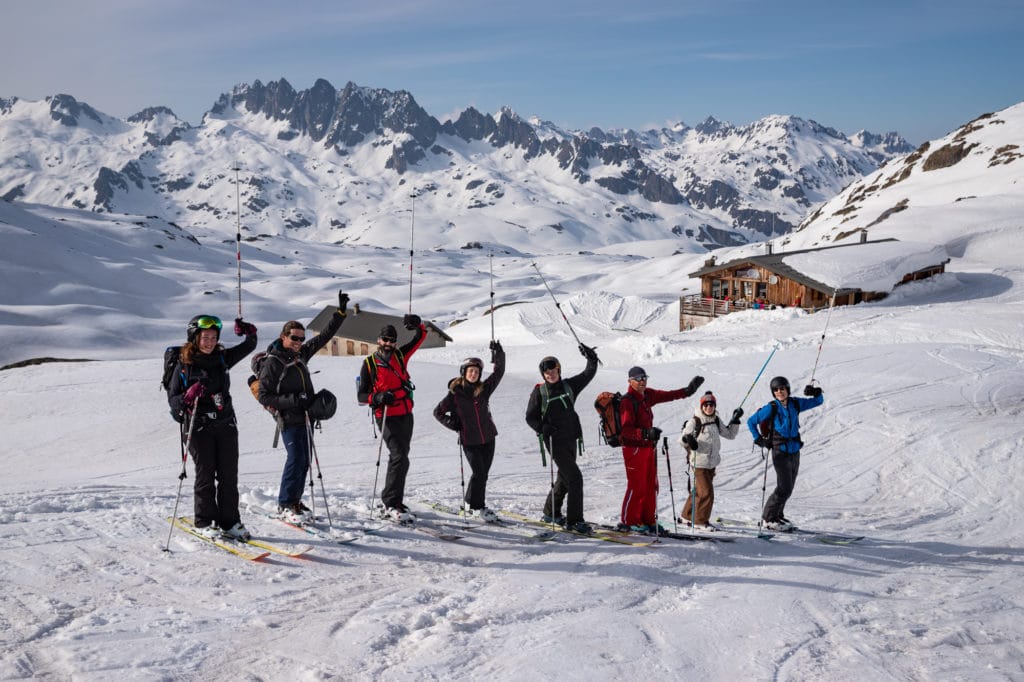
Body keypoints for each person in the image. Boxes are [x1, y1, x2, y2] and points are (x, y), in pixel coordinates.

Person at [258, 291, 349, 524]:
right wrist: (292, 400)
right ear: (283, 336)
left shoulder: (300, 355)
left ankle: (295, 501)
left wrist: (339, 314)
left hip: (306, 416)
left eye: (300, 338)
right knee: (296, 459)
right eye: (294, 338)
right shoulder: (273, 362)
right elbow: (264, 396)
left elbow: (323, 337)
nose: (299, 342)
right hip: (287, 417)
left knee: (304, 460)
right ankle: (285, 504)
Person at [167, 314, 258, 539]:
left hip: (225, 423)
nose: (209, 341)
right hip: (198, 426)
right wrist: (187, 396)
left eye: (213, 337)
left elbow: (249, 346)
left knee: (229, 475)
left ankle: (230, 522)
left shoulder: (222, 358)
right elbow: (173, 400)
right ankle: (204, 521)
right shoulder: (184, 364)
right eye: (205, 337)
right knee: (206, 474)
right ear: (194, 337)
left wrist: (249, 331)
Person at [357, 313, 428, 523]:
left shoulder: (400, 356)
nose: (389, 344)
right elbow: (362, 396)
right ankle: (390, 503)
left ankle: (395, 500)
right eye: (385, 340)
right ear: (379, 340)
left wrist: (418, 325)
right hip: (385, 415)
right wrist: (378, 396)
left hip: (405, 414)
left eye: (392, 340)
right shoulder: (369, 363)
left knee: (402, 457)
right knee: (398, 455)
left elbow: (420, 338)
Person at [617, 367, 704, 533]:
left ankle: (647, 520)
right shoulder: (627, 401)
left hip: (648, 448)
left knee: (651, 486)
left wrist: (687, 391)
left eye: (644, 378)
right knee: (637, 486)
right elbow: (625, 430)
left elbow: (668, 395)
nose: (642, 381)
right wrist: (645, 433)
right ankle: (628, 521)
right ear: (630, 381)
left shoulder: (646, 395)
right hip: (633, 449)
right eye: (638, 378)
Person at [524, 344, 599, 534]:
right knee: (575, 479)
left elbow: (588, 374)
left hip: (571, 438)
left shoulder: (569, 385)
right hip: (554, 442)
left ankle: (551, 512)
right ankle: (575, 521)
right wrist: (543, 428)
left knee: (565, 478)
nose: (550, 374)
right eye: (546, 372)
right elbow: (530, 417)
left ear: (558, 369)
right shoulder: (539, 392)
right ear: (543, 375)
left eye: (553, 369)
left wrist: (591, 358)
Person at [433, 340, 506, 522]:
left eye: (476, 371)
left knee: (482, 475)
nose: (473, 374)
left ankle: (470, 503)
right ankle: (477, 507)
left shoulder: (483, 390)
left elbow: (499, 373)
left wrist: (499, 355)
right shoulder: (455, 394)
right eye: (470, 371)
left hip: (488, 437)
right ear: (464, 373)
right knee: (479, 473)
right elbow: (438, 412)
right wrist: (454, 424)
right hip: (469, 440)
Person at [746, 376, 824, 530]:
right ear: (773, 393)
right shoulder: (772, 407)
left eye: (782, 388)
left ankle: (777, 516)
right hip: (779, 450)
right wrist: (759, 439)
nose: (779, 392)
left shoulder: (795, 403)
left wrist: (816, 392)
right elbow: (751, 421)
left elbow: (818, 401)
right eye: (776, 389)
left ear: (787, 389)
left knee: (789, 486)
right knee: (784, 487)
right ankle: (768, 518)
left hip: (794, 449)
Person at [679, 391, 742, 529]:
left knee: (698, 491)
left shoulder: (716, 420)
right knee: (707, 493)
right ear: (701, 406)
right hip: (699, 463)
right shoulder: (695, 421)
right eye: (706, 405)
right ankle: (700, 521)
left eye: (711, 404)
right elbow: (682, 440)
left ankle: (686, 516)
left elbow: (730, 434)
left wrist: (735, 420)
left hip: (712, 463)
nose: (709, 407)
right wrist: (689, 441)